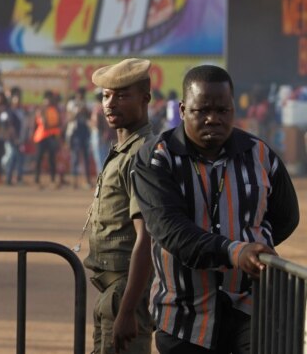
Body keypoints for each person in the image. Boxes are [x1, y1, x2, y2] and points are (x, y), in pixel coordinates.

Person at [133, 65, 300, 353]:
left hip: (251, 310)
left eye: (223, 111)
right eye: (202, 111)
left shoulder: (260, 155)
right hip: (184, 317)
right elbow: (170, 231)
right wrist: (235, 250)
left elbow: (286, 217)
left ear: (234, 109)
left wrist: (254, 243)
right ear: (184, 109)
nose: (214, 119)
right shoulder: (157, 159)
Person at [84, 58, 154, 354]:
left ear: (145, 99)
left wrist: (126, 311)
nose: (111, 104)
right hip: (112, 294)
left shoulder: (142, 155)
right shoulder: (122, 150)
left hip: (126, 293)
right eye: (106, 95)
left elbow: (147, 238)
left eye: (123, 95)